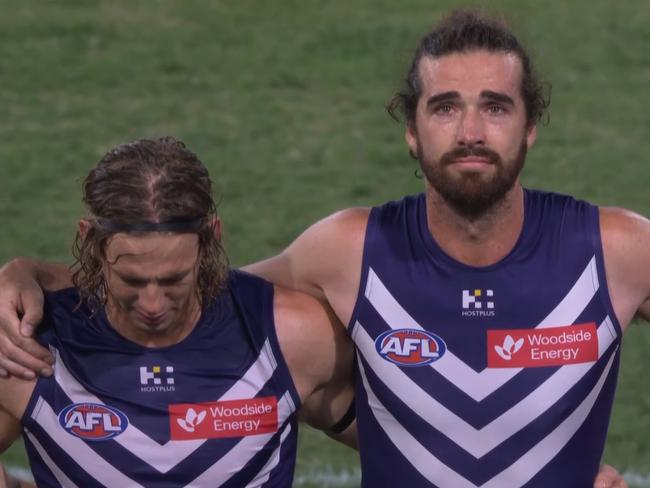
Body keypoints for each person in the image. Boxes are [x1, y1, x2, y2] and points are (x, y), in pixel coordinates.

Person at [0, 9, 642, 488]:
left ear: (530, 125)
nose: (470, 132)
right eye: (445, 108)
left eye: (495, 107)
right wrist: (33, 277)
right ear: (411, 131)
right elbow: (196, 297)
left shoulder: (617, 249)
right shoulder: (347, 251)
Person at [0, 137, 355, 487]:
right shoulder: (29, 351)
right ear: (89, 240)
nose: (153, 304)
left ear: (212, 239)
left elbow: (401, 447)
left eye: (174, 279)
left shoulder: (292, 337)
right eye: (132, 280)